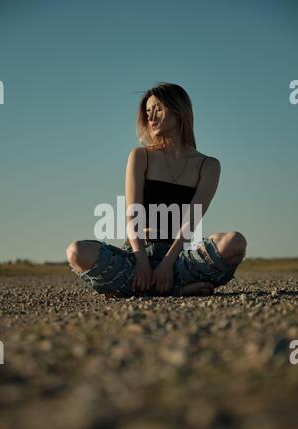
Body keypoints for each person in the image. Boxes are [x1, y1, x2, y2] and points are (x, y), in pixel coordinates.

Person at [66, 82, 247, 298]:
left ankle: (152, 287)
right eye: (148, 112)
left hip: (179, 258)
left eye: (158, 109)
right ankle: (175, 289)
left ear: (179, 110)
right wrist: (142, 262)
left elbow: (191, 221)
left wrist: (168, 263)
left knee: (235, 242)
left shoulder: (208, 165)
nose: (151, 117)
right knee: (76, 251)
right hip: (136, 254)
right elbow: (133, 214)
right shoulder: (141, 156)